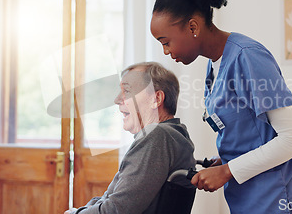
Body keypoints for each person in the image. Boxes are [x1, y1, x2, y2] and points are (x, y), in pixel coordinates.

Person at [150, 0, 292, 213]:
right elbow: (254, 133)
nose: (166, 52)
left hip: (284, 198)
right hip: (252, 200)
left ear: (193, 27)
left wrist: (228, 171)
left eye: (166, 42)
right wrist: (224, 160)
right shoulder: (215, 65)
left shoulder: (247, 56)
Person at [64, 62, 195, 214]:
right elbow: (111, 200)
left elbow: (117, 210)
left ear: (156, 99)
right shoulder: (175, 134)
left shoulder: (157, 136)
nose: (117, 99)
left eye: (127, 91)